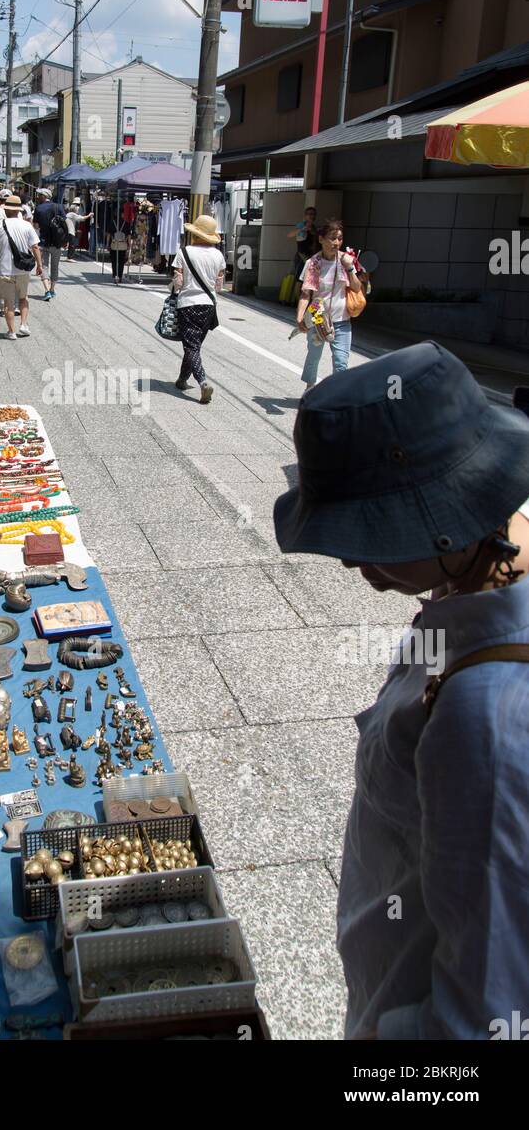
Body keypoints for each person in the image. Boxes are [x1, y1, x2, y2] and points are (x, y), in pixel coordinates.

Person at [273, 342, 529, 1040]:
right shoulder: (485, 572)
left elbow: (484, 1024)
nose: (353, 557)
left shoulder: (490, 719)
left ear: (446, 511)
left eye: (373, 531)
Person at [294, 218, 363, 390]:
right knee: (314, 356)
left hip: (342, 319)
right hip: (318, 316)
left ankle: (335, 397)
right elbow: (305, 294)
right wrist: (300, 317)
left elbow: (356, 287)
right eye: (332, 238)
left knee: (341, 361)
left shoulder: (347, 260)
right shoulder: (313, 263)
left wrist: (349, 268)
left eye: (339, 238)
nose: (336, 242)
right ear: (321, 239)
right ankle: (310, 389)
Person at [171, 213, 225, 406]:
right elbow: (219, 286)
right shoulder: (218, 255)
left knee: (191, 346)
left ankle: (203, 382)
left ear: (195, 233)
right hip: (209, 306)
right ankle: (182, 380)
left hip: (188, 304)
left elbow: (178, 283)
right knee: (194, 345)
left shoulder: (184, 252)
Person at [0, 195, 43, 340]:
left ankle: (11, 332)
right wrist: (39, 265)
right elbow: (35, 247)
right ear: (19, 210)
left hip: (5, 269)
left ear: (6, 210)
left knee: (9, 303)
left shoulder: (0, 225)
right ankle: (23, 325)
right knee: (23, 298)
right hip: (23, 269)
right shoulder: (26, 225)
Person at [33, 188, 67, 300]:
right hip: (57, 242)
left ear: (44, 196)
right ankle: (52, 289)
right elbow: (64, 223)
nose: (38, 197)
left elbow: (36, 226)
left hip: (43, 242)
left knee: (44, 266)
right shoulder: (59, 207)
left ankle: (47, 290)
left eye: (39, 195)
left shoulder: (38, 208)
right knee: (55, 267)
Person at [286, 204, 318, 279]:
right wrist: (302, 229)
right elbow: (289, 235)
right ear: (305, 216)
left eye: (313, 214)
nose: (311, 216)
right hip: (302, 256)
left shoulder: (314, 228)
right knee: (299, 278)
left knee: (308, 278)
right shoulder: (301, 225)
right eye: (309, 214)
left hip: (311, 256)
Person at [109, 219, 130, 285]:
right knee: (121, 261)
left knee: (114, 261)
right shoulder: (126, 223)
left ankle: (115, 275)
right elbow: (128, 234)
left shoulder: (112, 222)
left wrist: (107, 244)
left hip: (114, 244)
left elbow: (109, 234)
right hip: (123, 245)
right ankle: (120, 276)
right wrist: (129, 244)